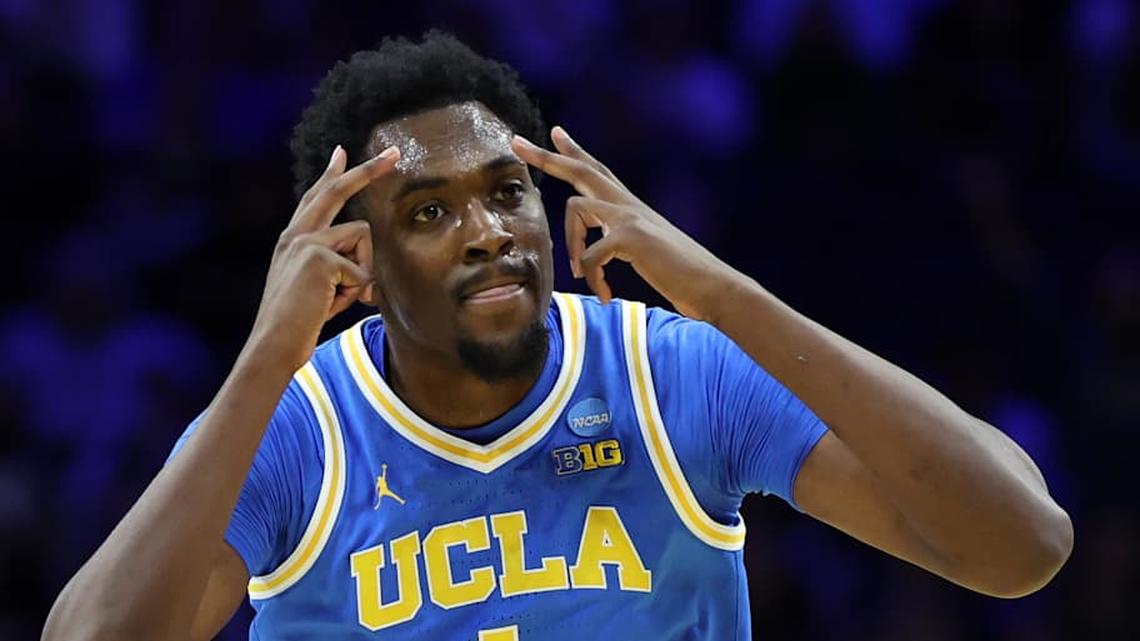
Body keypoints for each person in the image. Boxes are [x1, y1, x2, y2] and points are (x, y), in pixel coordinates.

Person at [42, 32, 1072, 641]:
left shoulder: (673, 370)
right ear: (356, 260)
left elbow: (1021, 544)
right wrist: (266, 356)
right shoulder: (295, 425)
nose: (489, 230)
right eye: (430, 212)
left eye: (506, 192)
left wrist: (725, 294)